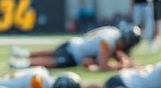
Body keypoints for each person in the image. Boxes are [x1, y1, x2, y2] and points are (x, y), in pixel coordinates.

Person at [8, 25, 140, 71]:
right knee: (54, 61)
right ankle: (23, 64)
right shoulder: (108, 42)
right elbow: (103, 65)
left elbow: (117, 52)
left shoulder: (112, 32)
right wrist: (121, 66)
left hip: (75, 42)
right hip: (75, 54)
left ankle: (24, 53)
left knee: (53, 52)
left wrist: (130, 63)